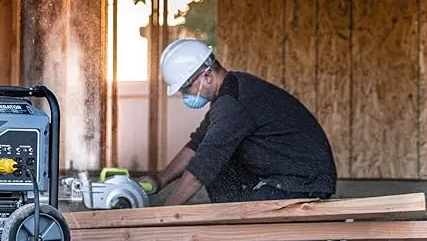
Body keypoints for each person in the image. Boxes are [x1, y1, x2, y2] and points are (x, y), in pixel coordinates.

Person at [140, 38, 337, 206]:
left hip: (303, 183)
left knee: (251, 231)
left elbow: (202, 166)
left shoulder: (233, 103)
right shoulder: (229, 93)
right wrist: (160, 180)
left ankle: (320, 238)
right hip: (286, 176)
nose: (185, 95)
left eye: (186, 88)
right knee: (219, 170)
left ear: (207, 76)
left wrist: (163, 215)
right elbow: (197, 144)